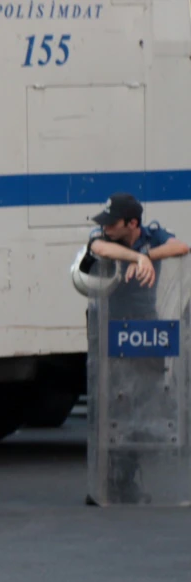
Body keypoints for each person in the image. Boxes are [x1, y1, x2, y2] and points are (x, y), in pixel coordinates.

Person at [83, 193, 189, 504]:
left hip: (145, 326)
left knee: (141, 405)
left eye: (113, 223)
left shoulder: (151, 235)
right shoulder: (106, 239)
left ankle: (124, 479)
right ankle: (104, 480)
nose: (106, 228)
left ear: (133, 224)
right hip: (109, 326)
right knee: (110, 402)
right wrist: (136, 258)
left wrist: (148, 254)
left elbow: (182, 247)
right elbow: (97, 248)